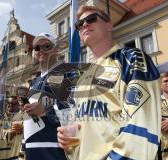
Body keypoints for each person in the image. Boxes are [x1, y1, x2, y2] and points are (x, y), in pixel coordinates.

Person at [57, 5, 161, 160]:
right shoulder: (82, 78)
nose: (84, 24)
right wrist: (72, 135)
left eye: (91, 19)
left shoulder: (132, 58)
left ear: (109, 25)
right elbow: (87, 123)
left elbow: (142, 124)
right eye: (79, 24)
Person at [22, 33, 80, 160]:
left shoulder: (67, 74)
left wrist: (46, 111)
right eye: (37, 48)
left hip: (54, 151)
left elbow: (75, 112)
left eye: (47, 46)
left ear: (57, 50)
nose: (41, 50)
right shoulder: (35, 81)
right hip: (31, 151)